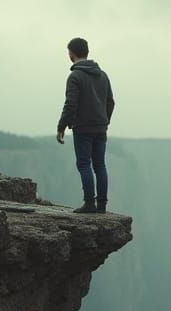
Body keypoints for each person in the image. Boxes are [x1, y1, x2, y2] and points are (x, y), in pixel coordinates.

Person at [57, 37, 115, 214]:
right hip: (100, 127)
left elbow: (71, 104)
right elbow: (111, 102)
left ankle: (89, 203)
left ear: (71, 55)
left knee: (84, 164)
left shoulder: (75, 76)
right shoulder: (103, 75)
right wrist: (105, 121)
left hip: (83, 128)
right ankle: (102, 205)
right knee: (100, 166)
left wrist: (62, 126)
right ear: (87, 53)